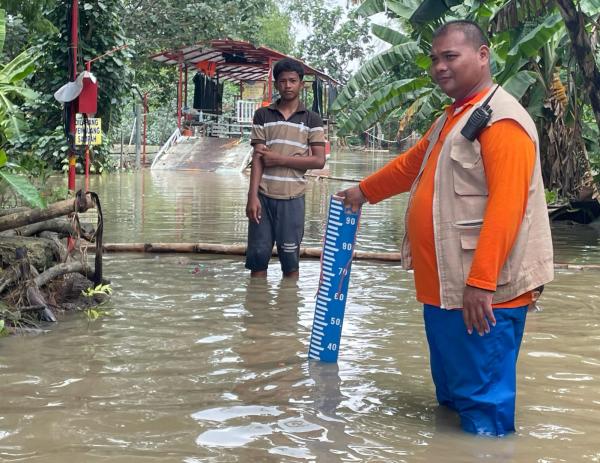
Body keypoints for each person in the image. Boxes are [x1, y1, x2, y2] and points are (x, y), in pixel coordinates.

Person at [337, 20, 554, 436]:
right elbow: (409, 166)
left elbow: (508, 208)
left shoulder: (503, 121)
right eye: (435, 59)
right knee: (454, 401)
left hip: (482, 295)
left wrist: (482, 281)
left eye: (450, 56)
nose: (439, 67)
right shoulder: (453, 118)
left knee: (483, 411)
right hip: (445, 290)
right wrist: (362, 192)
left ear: (483, 55)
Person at [246, 58, 326, 278]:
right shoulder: (263, 115)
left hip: (293, 199)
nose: (288, 86)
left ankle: (288, 309)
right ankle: (257, 310)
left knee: (290, 264)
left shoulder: (312, 119)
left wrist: (280, 159)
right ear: (276, 84)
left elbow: (319, 161)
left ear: (301, 84)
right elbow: (258, 158)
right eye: (283, 81)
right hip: (262, 197)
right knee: (258, 261)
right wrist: (252, 197)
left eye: (293, 81)